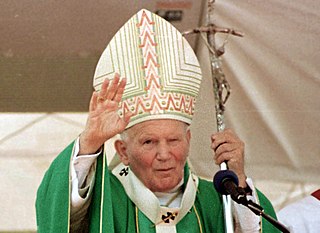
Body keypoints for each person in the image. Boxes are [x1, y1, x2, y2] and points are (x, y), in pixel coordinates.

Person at [36, 9, 279, 233]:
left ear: (189, 139)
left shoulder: (214, 199)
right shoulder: (105, 198)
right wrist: (89, 141)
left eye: (173, 140)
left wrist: (239, 180)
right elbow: (58, 216)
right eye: (149, 142)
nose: (164, 154)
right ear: (123, 151)